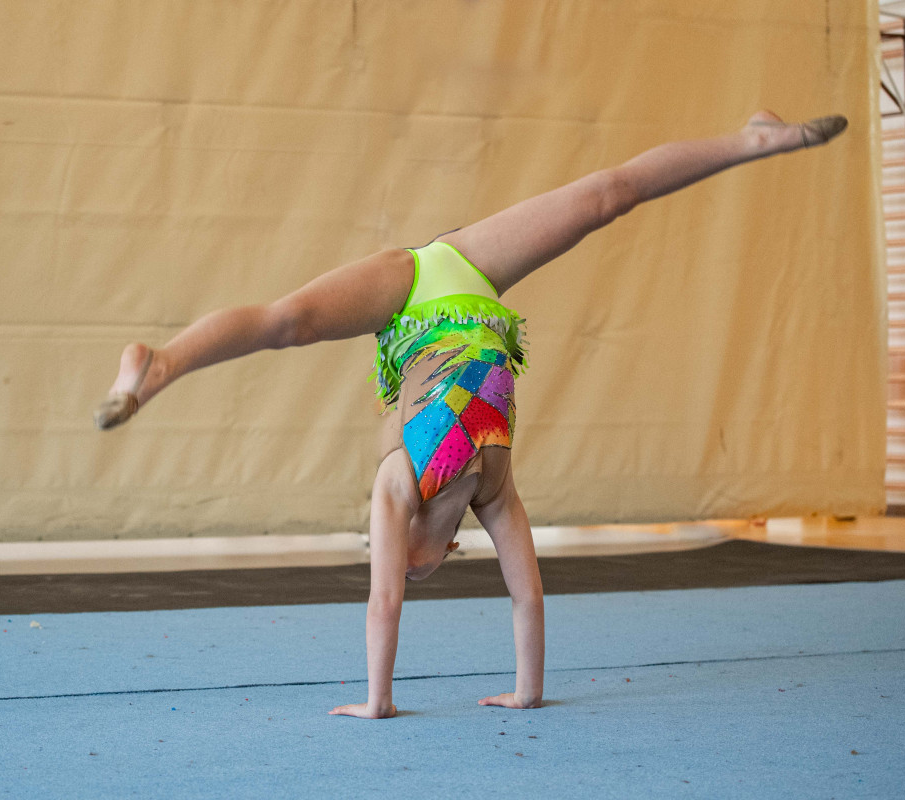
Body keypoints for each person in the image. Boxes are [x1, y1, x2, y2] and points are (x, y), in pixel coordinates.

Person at [93, 111, 849, 719]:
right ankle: (757, 140)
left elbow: (382, 601)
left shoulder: (397, 484)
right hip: (473, 277)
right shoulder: (494, 490)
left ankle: (161, 364)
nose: (398, 559)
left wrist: (378, 701)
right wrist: (527, 692)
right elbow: (528, 598)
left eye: (396, 556)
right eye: (410, 561)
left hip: (409, 286)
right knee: (606, 198)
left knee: (292, 322)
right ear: (450, 547)